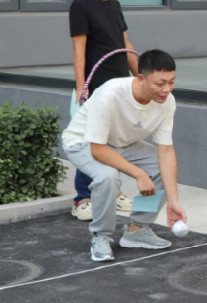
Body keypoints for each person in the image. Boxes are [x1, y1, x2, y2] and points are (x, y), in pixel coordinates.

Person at [62, 50, 188, 261]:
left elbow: (165, 151)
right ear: (141, 78)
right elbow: (97, 149)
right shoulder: (110, 93)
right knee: (108, 176)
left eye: (171, 82)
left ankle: (137, 230)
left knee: (160, 168)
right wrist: (138, 174)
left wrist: (173, 201)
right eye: (160, 83)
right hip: (82, 142)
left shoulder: (167, 102)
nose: (166, 89)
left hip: (123, 143)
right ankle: (101, 236)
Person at [69, 0, 140, 221]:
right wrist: (81, 86)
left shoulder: (115, 4)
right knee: (91, 142)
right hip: (96, 86)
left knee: (114, 141)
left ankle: (114, 192)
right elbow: (79, 49)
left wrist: (141, 76)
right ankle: (82, 198)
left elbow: (125, 43)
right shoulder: (81, 5)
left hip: (121, 85)